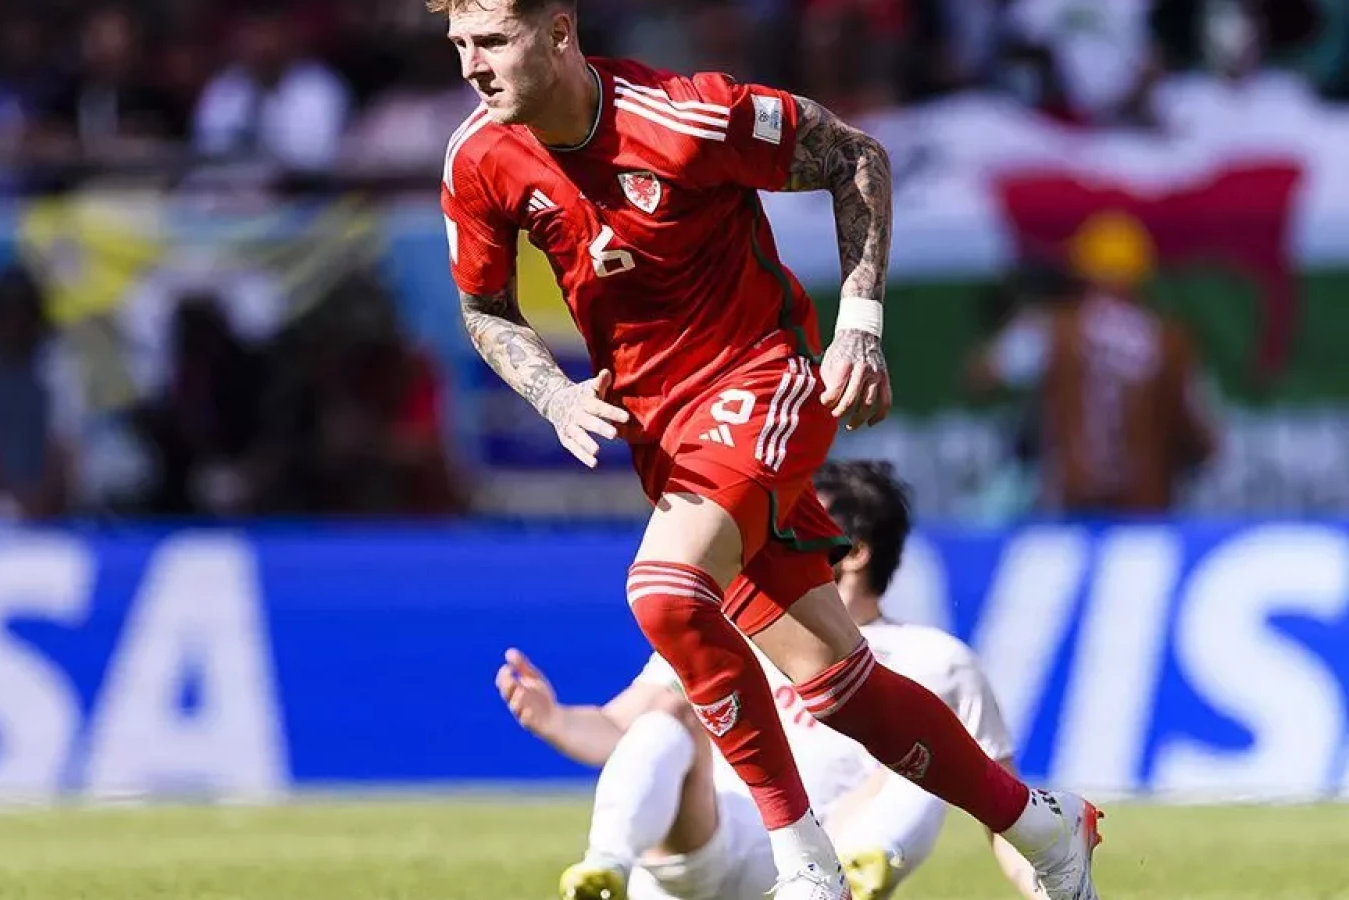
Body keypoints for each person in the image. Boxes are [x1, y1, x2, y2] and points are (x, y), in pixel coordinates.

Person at [431, 1, 1102, 898]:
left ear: (559, 32)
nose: (471, 65)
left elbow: (856, 157)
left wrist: (860, 324)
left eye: (491, 41)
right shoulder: (477, 158)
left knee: (664, 593)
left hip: (761, 382)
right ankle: (1042, 825)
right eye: (459, 45)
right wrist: (550, 391)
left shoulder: (687, 117)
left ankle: (804, 863)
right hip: (667, 439)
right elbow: (485, 307)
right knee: (835, 685)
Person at [498, 461, 1047, 900]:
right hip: (710, 834)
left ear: (853, 553)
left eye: (795, 526)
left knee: (927, 751)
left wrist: (1052, 883)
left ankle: (864, 863)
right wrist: (554, 720)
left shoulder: (937, 660)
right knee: (664, 720)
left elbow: (998, 808)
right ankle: (603, 870)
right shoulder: (727, 624)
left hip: (829, 849)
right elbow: (622, 728)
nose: (771, 539)